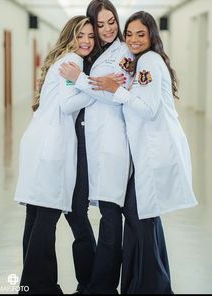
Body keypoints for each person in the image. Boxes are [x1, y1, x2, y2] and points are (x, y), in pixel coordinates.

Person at [89, 11, 198, 294]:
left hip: (154, 153)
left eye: (141, 34)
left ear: (151, 35)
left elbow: (149, 110)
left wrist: (117, 90)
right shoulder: (140, 61)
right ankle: (146, 284)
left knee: (141, 219)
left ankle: (151, 286)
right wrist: (118, 83)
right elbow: (132, 85)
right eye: (130, 34)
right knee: (143, 219)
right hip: (146, 153)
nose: (134, 39)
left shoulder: (149, 61)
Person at [14, 15, 97, 294]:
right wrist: (97, 87)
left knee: (36, 216)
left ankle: (31, 286)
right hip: (52, 145)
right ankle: (40, 287)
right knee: (46, 216)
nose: (86, 41)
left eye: (91, 36)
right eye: (80, 35)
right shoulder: (72, 62)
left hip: (39, 142)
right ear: (70, 37)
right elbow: (67, 104)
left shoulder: (63, 59)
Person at [59, 0, 132, 293]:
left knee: (110, 214)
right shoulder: (91, 54)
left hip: (110, 142)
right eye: (99, 24)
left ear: (118, 18)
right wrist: (91, 82)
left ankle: (102, 287)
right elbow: (98, 89)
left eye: (111, 21)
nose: (106, 29)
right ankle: (87, 279)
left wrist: (80, 80)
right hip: (85, 142)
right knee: (76, 210)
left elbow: (115, 93)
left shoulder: (125, 53)